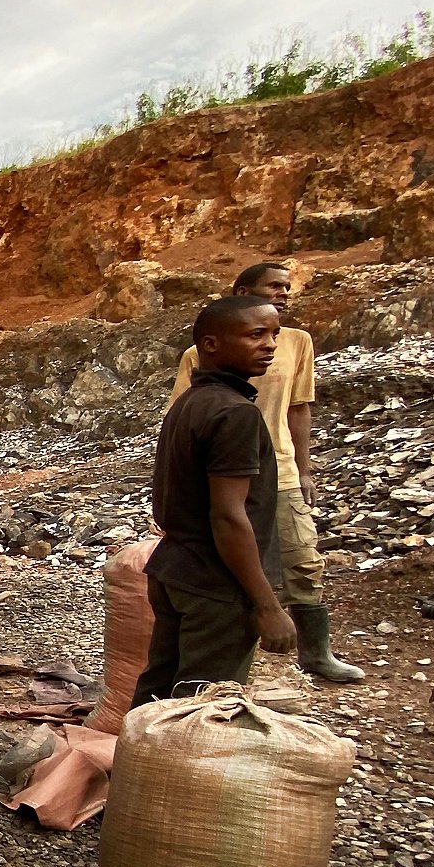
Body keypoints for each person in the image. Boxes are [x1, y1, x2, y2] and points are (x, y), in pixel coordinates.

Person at [167, 262, 364, 682]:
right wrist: (265, 606)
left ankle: (314, 651)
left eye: (286, 289)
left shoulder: (297, 344)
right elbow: (185, 426)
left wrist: (305, 468)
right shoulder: (222, 398)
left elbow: (299, 408)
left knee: (301, 560)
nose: (269, 343)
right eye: (273, 287)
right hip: (231, 469)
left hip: (280, 468)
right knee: (231, 559)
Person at [133, 295, 299, 707]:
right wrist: (266, 604)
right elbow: (228, 516)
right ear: (211, 345)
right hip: (216, 584)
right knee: (200, 707)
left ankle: (129, 770)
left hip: (176, 570)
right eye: (255, 334)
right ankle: (157, 771)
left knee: (157, 695)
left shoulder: (191, 403)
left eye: (274, 334)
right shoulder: (234, 414)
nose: (271, 345)